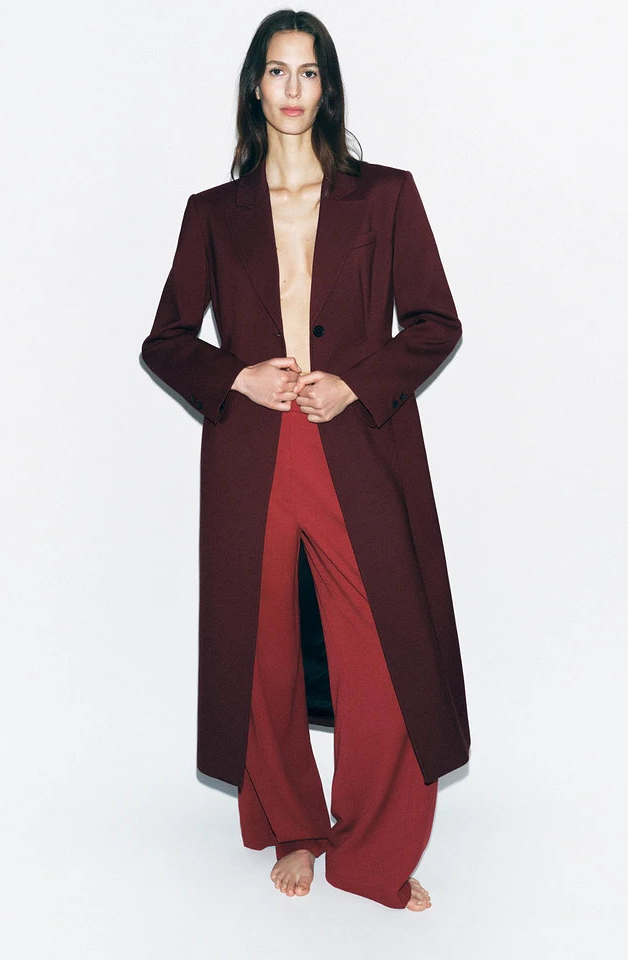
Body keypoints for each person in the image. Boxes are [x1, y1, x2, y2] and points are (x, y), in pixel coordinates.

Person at [141, 9, 470, 912]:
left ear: (328, 88)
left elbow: (435, 322)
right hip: (253, 454)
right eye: (278, 71)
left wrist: (356, 384)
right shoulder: (213, 214)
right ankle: (294, 825)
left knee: (385, 649)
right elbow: (166, 339)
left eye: (309, 72)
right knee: (263, 652)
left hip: (353, 447)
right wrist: (236, 375)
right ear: (256, 86)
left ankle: (373, 848)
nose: (293, 89)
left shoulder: (386, 196)